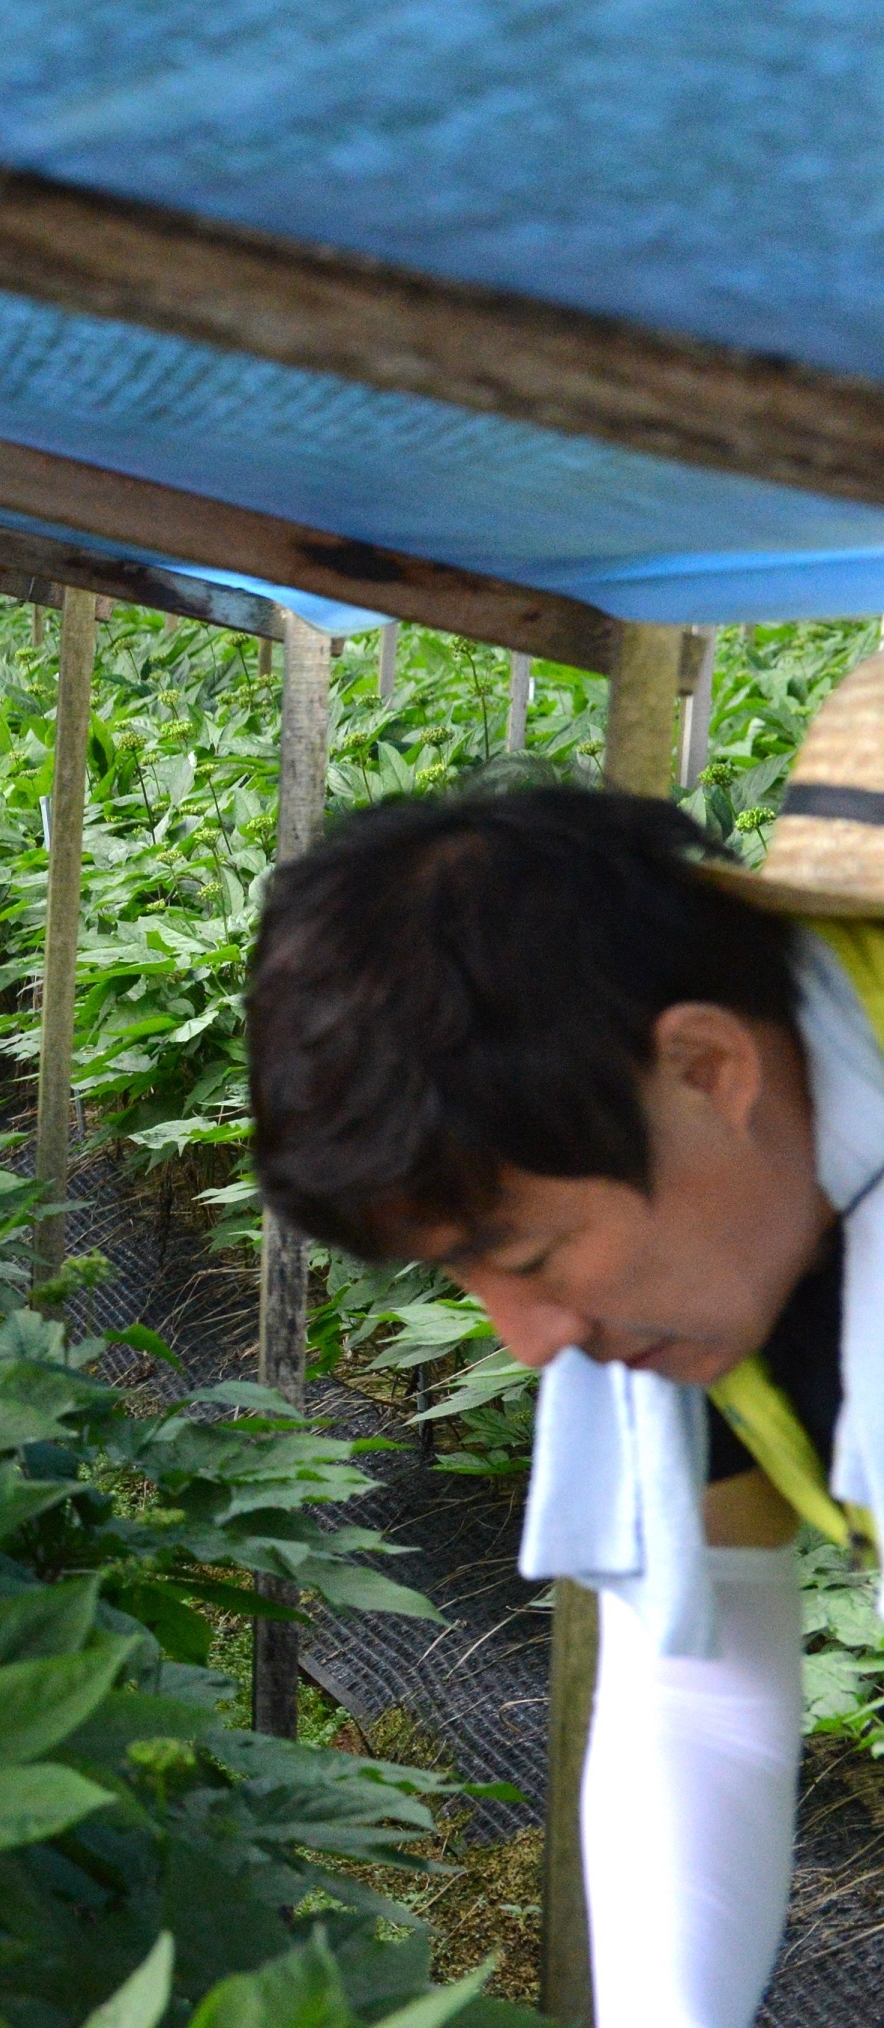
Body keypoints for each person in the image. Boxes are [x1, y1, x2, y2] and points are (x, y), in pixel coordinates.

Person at [243, 663, 884, 2028]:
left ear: (707, 1070)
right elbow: (697, 1681)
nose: (532, 1342)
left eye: (525, 1254)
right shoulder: (768, 1175)